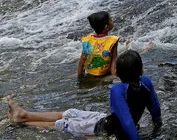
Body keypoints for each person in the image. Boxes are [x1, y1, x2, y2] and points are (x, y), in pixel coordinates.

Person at [7, 50, 162, 139]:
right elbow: (155, 109)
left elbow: (127, 122)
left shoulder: (118, 90)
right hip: (105, 121)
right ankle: (25, 113)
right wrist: (157, 127)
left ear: (116, 73)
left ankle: (22, 119)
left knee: (63, 124)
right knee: (70, 113)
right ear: (141, 70)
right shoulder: (146, 82)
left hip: (103, 130)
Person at [78, 11, 120, 78]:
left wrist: (79, 75)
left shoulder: (88, 40)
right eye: (111, 20)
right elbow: (114, 59)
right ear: (106, 27)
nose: (112, 21)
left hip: (89, 72)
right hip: (104, 73)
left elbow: (82, 60)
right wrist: (114, 76)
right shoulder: (112, 40)